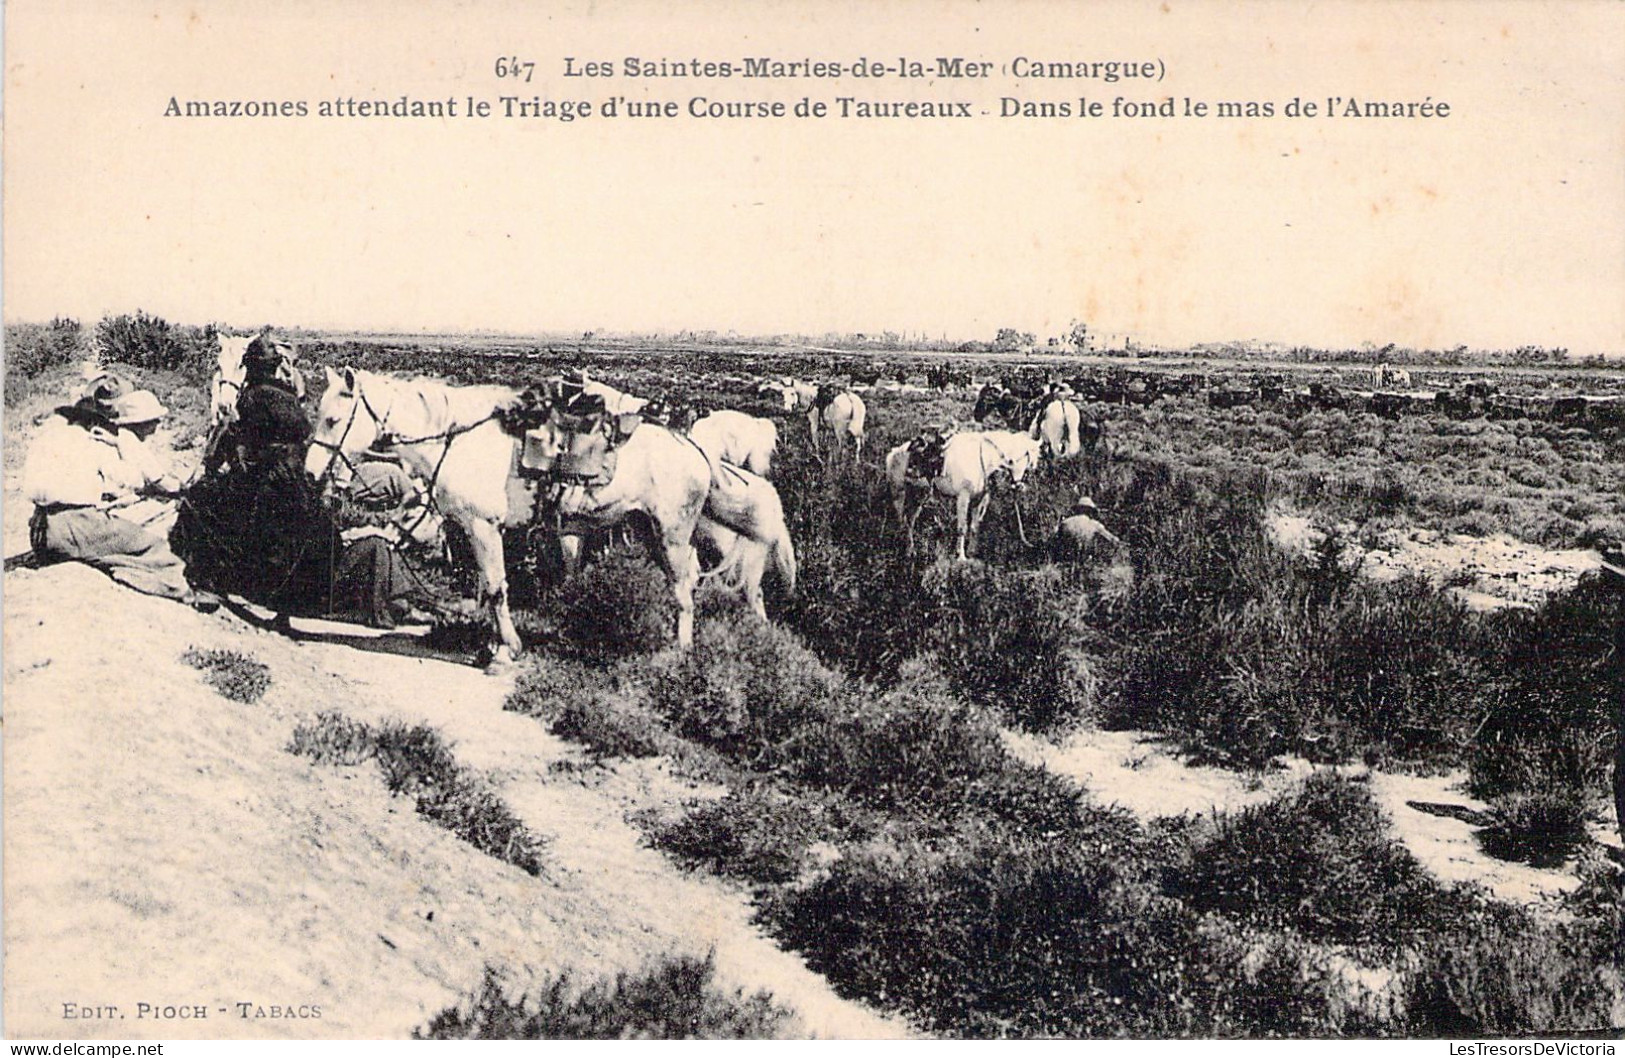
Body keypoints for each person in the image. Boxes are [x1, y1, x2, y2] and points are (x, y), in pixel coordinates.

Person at [173, 335, 340, 615]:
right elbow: (304, 435)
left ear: (248, 368)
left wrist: (218, 463)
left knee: (204, 500)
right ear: (276, 367)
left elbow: (234, 445)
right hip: (296, 477)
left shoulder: (250, 398)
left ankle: (210, 582)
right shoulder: (290, 398)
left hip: (265, 478)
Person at [23, 374, 217, 610]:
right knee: (151, 546)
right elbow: (130, 480)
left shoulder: (48, 437)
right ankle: (184, 592)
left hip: (40, 529)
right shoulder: (96, 440)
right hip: (78, 524)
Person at [328, 461, 447, 628]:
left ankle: (401, 605)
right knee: (378, 546)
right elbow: (341, 525)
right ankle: (390, 610)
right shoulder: (336, 494)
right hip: (335, 558)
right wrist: (377, 525)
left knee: (382, 546)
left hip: (349, 547)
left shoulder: (374, 480)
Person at [1052, 492, 1123, 561]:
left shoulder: (1065, 523)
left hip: (1066, 560)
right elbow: (1113, 540)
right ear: (1090, 511)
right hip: (1086, 561)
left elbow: (1054, 538)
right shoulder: (1095, 525)